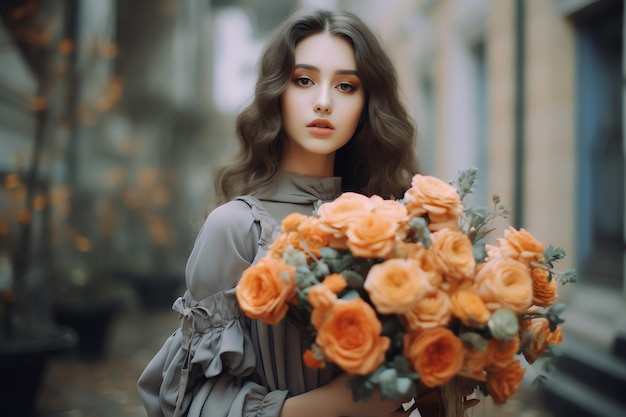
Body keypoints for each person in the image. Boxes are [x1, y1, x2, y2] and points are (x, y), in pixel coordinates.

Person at [138, 8, 477, 417]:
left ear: (368, 103)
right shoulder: (236, 228)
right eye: (304, 80)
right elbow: (184, 401)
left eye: (347, 86)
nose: (323, 102)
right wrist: (338, 404)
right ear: (277, 93)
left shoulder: (395, 227)